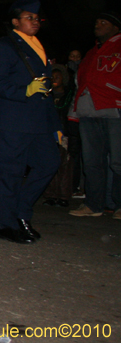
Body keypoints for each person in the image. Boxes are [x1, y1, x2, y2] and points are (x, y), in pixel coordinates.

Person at [0, 0, 61, 243]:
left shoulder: (38, 45)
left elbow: (46, 88)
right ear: (15, 21)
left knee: (50, 162)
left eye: (37, 18)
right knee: (11, 172)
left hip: (39, 120)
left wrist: (56, 125)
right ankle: (6, 225)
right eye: (29, 17)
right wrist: (24, 91)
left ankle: (20, 210)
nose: (35, 22)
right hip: (13, 118)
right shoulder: (4, 45)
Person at [69, 11, 121, 219]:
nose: (98, 25)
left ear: (116, 28)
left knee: (118, 161)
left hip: (114, 110)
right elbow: (79, 84)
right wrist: (74, 112)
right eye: (97, 22)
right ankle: (93, 204)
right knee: (91, 161)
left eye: (104, 22)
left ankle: (119, 204)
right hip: (88, 112)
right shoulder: (91, 52)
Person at [42, 64, 75, 207]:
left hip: (64, 135)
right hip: (47, 134)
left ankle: (64, 196)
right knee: (49, 164)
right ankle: (50, 195)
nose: (55, 80)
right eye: (52, 77)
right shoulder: (46, 96)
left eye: (58, 77)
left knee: (65, 166)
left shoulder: (68, 96)